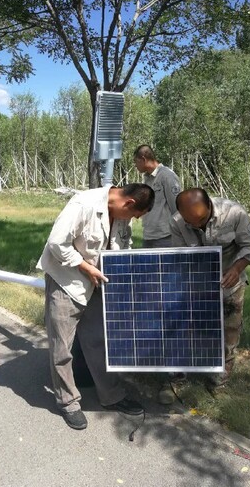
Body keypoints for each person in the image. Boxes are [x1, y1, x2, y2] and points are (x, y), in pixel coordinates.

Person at [37, 183, 155, 430]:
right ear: (129, 203)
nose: (132, 220)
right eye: (134, 215)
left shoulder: (122, 215)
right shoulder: (84, 204)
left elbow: (123, 245)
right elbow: (57, 243)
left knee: (99, 340)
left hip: (97, 283)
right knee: (62, 346)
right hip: (66, 281)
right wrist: (86, 267)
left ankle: (111, 395)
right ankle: (68, 401)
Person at [159, 188, 250, 404]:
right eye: (191, 223)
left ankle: (219, 382)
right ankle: (177, 378)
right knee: (185, 330)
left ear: (209, 205)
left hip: (230, 283)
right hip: (195, 285)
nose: (196, 226)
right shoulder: (177, 222)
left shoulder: (234, 213)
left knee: (228, 333)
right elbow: (181, 257)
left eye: (202, 220)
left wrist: (236, 268)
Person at [134, 145, 181, 248]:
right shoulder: (147, 178)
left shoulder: (167, 176)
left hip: (165, 236)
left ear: (143, 159)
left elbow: (176, 207)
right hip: (149, 235)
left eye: (136, 162)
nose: (135, 166)